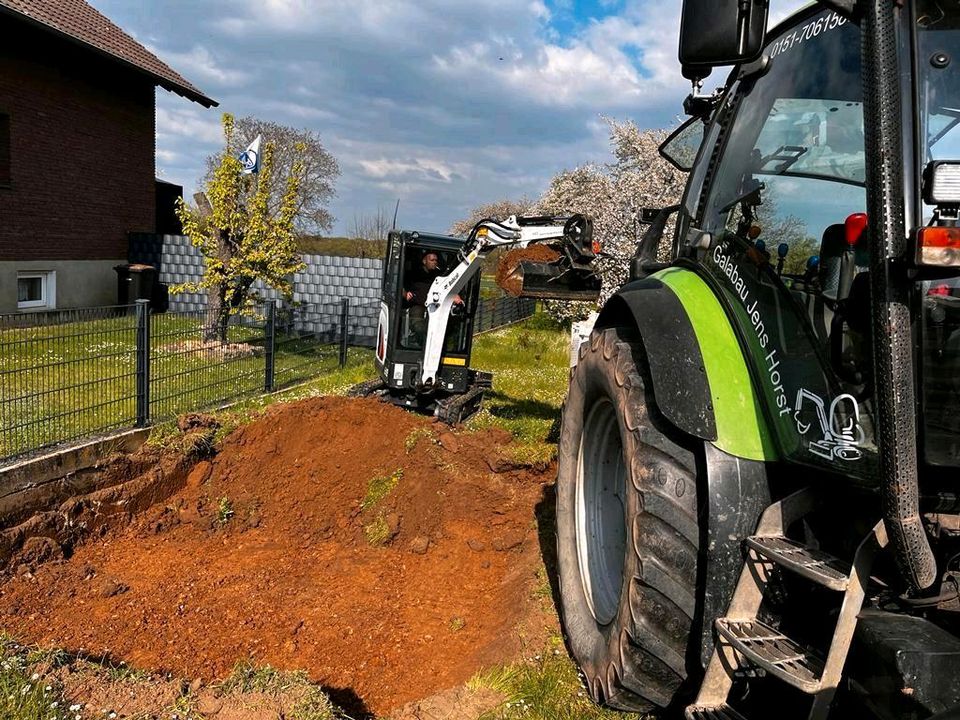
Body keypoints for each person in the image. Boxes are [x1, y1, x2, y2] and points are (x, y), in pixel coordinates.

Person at [403, 251, 462, 347]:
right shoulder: (414, 273)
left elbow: (449, 287)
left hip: (435, 305)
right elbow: (400, 286)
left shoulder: (440, 276)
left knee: (442, 327)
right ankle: (423, 346)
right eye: (432, 260)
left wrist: (455, 296)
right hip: (418, 304)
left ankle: (438, 346)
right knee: (418, 326)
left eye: (436, 260)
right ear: (424, 261)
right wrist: (405, 294)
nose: (435, 262)